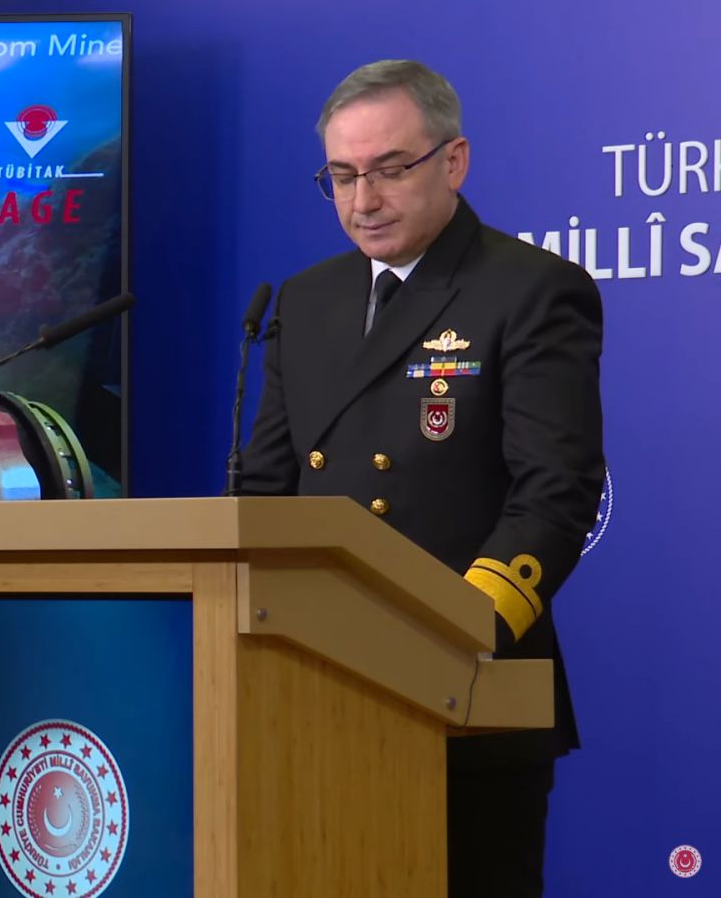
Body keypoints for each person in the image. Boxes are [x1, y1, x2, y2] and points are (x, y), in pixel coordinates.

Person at [240, 59, 605, 897]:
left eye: (390, 169)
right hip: (312, 692)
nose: (363, 200)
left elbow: (555, 489)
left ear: (454, 161)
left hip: (464, 689)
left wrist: (461, 628)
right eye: (342, 176)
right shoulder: (306, 300)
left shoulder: (530, 289)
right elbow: (266, 488)